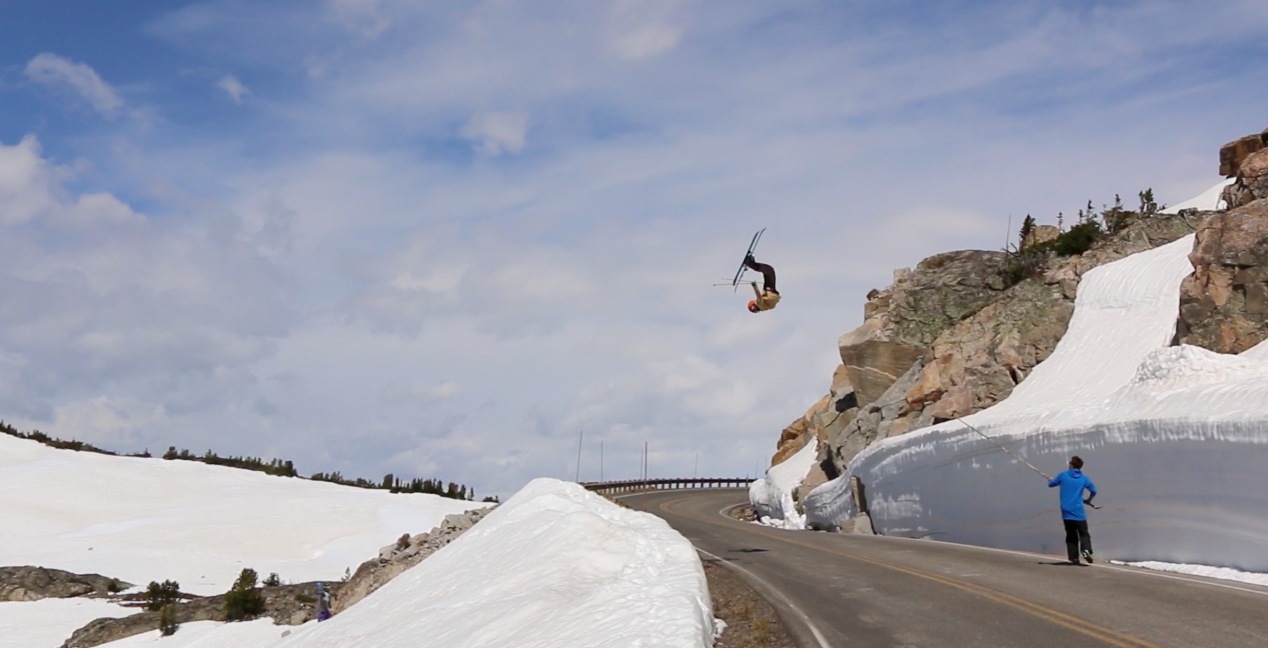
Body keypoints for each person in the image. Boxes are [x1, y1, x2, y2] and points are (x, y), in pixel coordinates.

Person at [1047, 456, 1098, 564]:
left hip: (1066, 511)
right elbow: (1094, 490)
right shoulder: (1084, 479)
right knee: (1084, 534)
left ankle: (1074, 558)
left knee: (1071, 535)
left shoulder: (1063, 475)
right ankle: (1086, 552)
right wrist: (1089, 500)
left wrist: (1052, 480)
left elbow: (1051, 484)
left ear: (1071, 465)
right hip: (1078, 511)